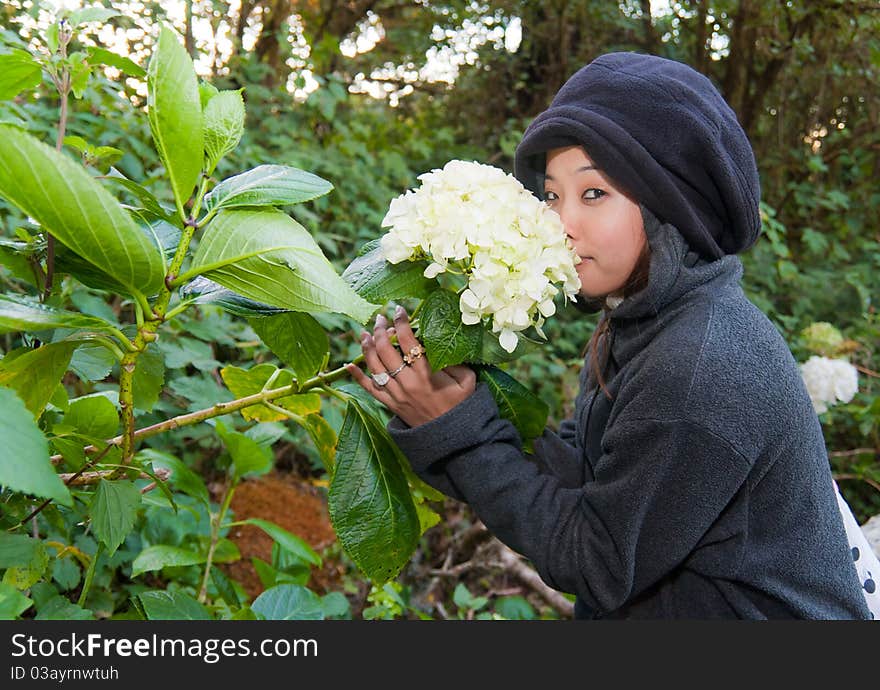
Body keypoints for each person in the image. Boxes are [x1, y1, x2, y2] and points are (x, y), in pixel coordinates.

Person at [345, 52, 871, 619]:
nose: (560, 223)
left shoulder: (701, 363)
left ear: (675, 203)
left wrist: (458, 429)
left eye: (594, 193)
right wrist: (456, 411)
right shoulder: (644, 316)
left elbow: (596, 559)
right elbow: (592, 474)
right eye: (552, 194)